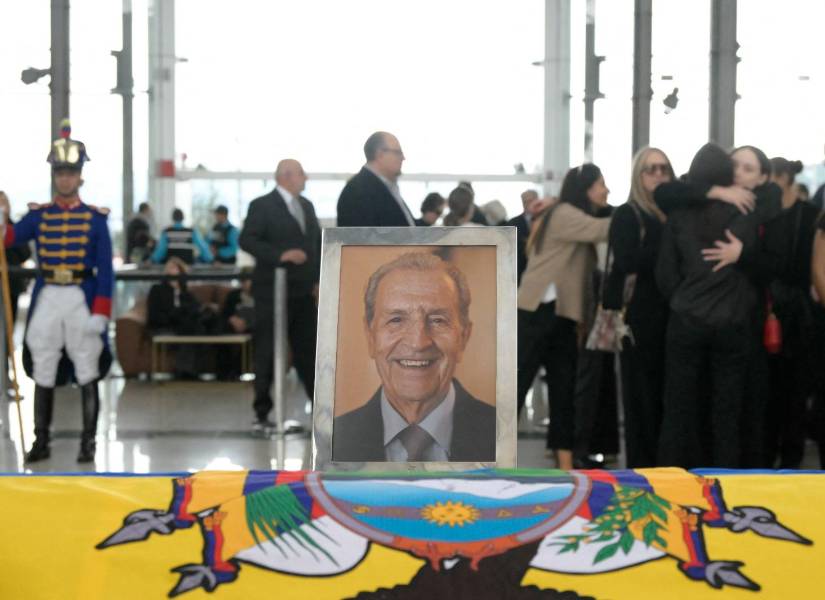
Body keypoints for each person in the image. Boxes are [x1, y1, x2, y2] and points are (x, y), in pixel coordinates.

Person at [655, 143, 779, 469]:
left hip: (685, 321)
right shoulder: (748, 212)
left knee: (679, 407)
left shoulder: (678, 214)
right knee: (727, 410)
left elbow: (664, 272)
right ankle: (725, 480)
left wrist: (681, 300)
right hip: (734, 323)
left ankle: (673, 478)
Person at [3, 120, 113, 463]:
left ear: (81, 176)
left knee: (87, 367)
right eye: (60, 172)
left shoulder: (96, 219)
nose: (65, 178)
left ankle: (88, 443)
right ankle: (41, 441)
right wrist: (3, 218)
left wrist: (101, 312)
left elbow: (106, 268)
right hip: (48, 293)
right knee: (44, 364)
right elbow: (10, 239)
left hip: (81, 294)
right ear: (54, 176)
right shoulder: (39, 216)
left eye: (71, 172)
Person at [333, 252, 495, 462]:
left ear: (463, 337)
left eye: (438, 320)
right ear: (370, 336)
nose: (418, 343)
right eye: (397, 320)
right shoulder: (335, 436)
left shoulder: (501, 433)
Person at [516, 164, 612, 470]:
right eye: (600, 185)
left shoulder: (562, 212)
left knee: (563, 392)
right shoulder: (566, 214)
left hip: (558, 315)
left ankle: (566, 465)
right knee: (519, 387)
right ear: (585, 190)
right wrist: (639, 206)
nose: (605, 190)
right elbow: (605, 228)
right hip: (539, 312)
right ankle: (485, 460)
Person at [601, 147, 674, 468]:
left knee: (667, 400)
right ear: (638, 175)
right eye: (650, 169)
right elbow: (626, 259)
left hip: (674, 318)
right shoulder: (628, 214)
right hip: (639, 321)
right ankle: (643, 471)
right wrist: (668, 250)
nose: (658, 175)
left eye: (663, 169)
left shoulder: (674, 212)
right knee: (640, 400)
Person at [239, 159, 321, 429]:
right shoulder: (262, 206)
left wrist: (318, 279)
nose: (305, 177)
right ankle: (262, 413)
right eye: (301, 173)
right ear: (285, 176)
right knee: (267, 350)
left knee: (307, 350)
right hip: (272, 292)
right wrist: (279, 256)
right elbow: (248, 239)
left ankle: (319, 409)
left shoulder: (306, 206)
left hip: (302, 293)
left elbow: (315, 244)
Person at [147, 257, 218, 378]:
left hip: (185, 325)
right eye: (170, 269)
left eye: (176, 269)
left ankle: (187, 370)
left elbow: (195, 309)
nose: (172, 271)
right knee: (192, 329)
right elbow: (156, 315)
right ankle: (186, 371)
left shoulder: (186, 293)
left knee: (197, 326)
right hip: (166, 325)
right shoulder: (157, 290)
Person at [336, 132, 416, 227]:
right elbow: (361, 239)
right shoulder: (358, 191)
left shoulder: (385, 186)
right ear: (380, 154)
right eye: (398, 152)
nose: (403, 158)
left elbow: (401, 226)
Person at [0, 191, 32, 325]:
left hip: (11, 284)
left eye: (3, 203)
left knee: (9, 323)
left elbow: (25, 253)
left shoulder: (16, 229)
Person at [507, 190, 550, 284]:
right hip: (521, 271)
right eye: (525, 201)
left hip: (544, 269)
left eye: (531, 201)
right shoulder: (513, 223)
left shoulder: (549, 221)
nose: (528, 204)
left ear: (538, 200)